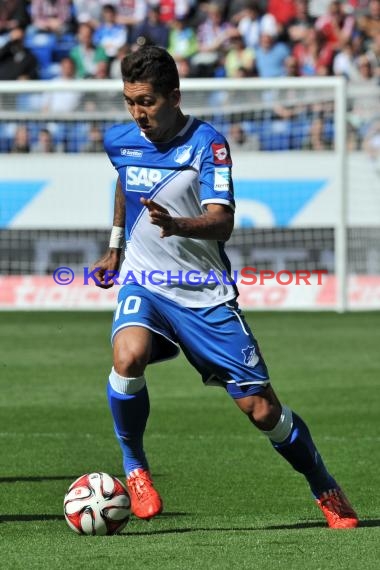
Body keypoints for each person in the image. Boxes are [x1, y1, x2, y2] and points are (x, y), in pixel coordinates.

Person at [92, 46, 358, 528]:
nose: (138, 113)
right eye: (130, 101)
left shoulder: (208, 145)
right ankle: (135, 468)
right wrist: (116, 246)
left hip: (202, 293)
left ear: (174, 96)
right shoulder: (121, 141)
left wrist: (178, 226)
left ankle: (323, 484)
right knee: (127, 357)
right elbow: (124, 182)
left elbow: (222, 223)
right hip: (145, 281)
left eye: (147, 102)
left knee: (262, 411)